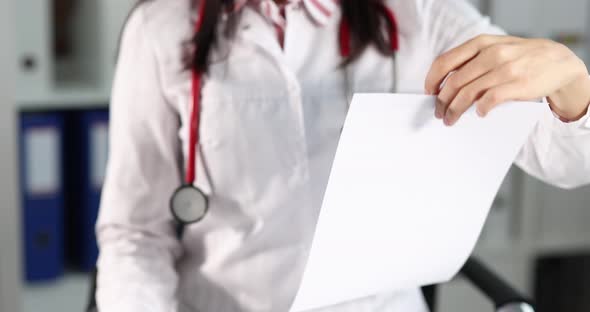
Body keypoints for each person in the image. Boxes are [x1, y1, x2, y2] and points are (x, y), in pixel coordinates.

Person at [95, 0, 590, 311]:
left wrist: (573, 87)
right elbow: (135, 234)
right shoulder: (159, 28)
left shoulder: (422, 15)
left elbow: (568, 162)